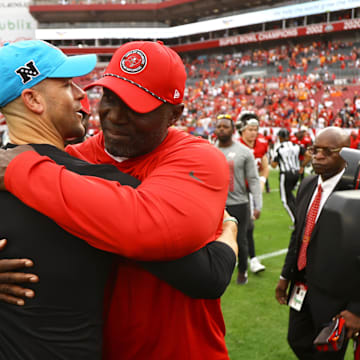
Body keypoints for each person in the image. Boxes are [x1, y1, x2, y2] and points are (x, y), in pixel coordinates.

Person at [0, 40, 235, 359]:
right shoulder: (77, 162)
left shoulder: (197, 158)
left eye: (138, 106)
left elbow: (154, 234)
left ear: (175, 115)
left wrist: (21, 168)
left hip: (182, 350)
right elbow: (209, 273)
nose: (115, 115)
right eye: (110, 96)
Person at [275, 127, 360, 359]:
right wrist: (285, 277)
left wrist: (356, 309)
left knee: (327, 354)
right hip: (302, 285)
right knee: (297, 340)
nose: (318, 156)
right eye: (315, 149)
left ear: (347, 155)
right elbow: (298, 236)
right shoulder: (308, 184)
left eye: (327, 151)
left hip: (336, 296)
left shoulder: (355, 193)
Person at [215, 114, 262, 285]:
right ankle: (220, 270)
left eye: (225, 126)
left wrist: (257, 204)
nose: (221, 129)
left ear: (233, 130)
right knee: (216, 239)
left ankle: (242, 271)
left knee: (241, 240)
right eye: (219, 126)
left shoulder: (244, 152)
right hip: (217, 204)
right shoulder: (210, 149)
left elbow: (254, 179)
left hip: (239, 204)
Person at [235, 110, 267, 274]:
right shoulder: (236, 146)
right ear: (242, 130)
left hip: (249, 192)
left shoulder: (261, 144)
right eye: (250, 129)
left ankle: (248, 259)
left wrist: (262, 181)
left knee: (247, 227)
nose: (254, 133)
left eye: (256, 129)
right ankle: (249, 260)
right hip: (236, 193)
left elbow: (265, 167)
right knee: (243, 227)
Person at [271, 128, 310, 225]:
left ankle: (296, 222)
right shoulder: (295, 145)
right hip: (296, 173)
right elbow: (309, 155)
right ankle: (300, 217)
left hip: (286, 174)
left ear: (280, 137)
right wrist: (302, 166)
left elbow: (274, 165)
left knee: (285, 200)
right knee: (291, 197)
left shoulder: (279, 148)